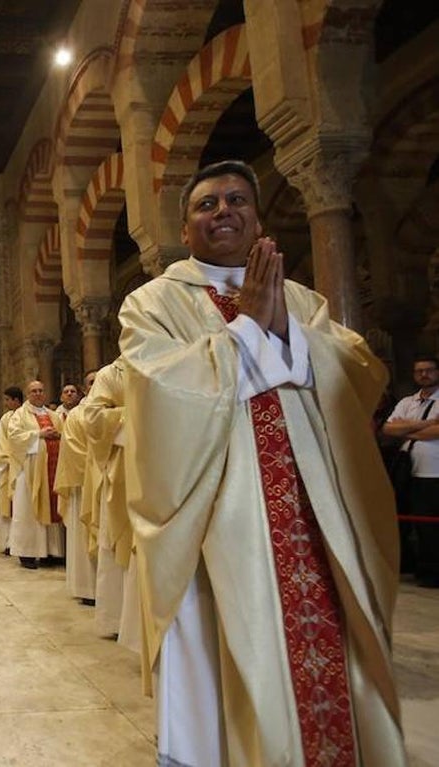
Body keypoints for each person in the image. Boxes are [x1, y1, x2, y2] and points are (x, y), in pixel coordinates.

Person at [119, 159, 406, 765]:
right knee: (227, 644)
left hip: (314, 509)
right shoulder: (152, 302)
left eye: (236, 200)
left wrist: (289, 333)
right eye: (206, 204)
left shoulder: (302, 298)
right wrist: (251, 328)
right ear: (184, 223)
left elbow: (357, 373)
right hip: (219, 514)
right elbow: (155, 388)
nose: (222, 211)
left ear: (258, 216)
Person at [79, 362, 134, 642]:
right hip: (125, 468)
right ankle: (118, 619)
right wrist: (137, 414)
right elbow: (93, 417)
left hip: (166, 468)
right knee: (121, 542)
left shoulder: (172, 360)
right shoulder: (112, 374)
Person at [382, 355, 439, 587]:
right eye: (419, 371)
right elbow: (388, 428)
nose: (424, 374)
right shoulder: (408, 401)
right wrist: (426, 424)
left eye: (429, 370)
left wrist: (405, 429)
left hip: (435, 471)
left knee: (433, 525)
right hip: (409, 470)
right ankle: (420, 567)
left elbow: (436, 433)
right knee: (418, 524)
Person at [2, 380, 65, 569]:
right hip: (28, 470)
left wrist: (57, 436)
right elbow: (14, 438)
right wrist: (39, 434)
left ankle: (51, 551)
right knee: (27, 510)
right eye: (33, 391)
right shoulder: (19, 415)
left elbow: (64, 435)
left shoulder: (54, 415)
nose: (37, 394)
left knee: (52, 505)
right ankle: (27, 552)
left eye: (40, 390)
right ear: (28, 394)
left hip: (52, 468)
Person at [54, 376, 95, 603]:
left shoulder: (121, 408)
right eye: (91, 382)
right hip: (86, 483)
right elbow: (73, 451)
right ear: (84, 389)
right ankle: (88, 588)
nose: (96, 384)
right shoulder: (77, 416)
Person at [0, 386, 24, 555]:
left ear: (16, 400)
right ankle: (8, 542)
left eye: (7, 399)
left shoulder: (27, 416)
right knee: (7, 507)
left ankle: (21, 542)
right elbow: (3, 443)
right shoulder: (6, 419)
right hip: (9, 467)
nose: (5, 403)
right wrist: (6, 460)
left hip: (25, 467)